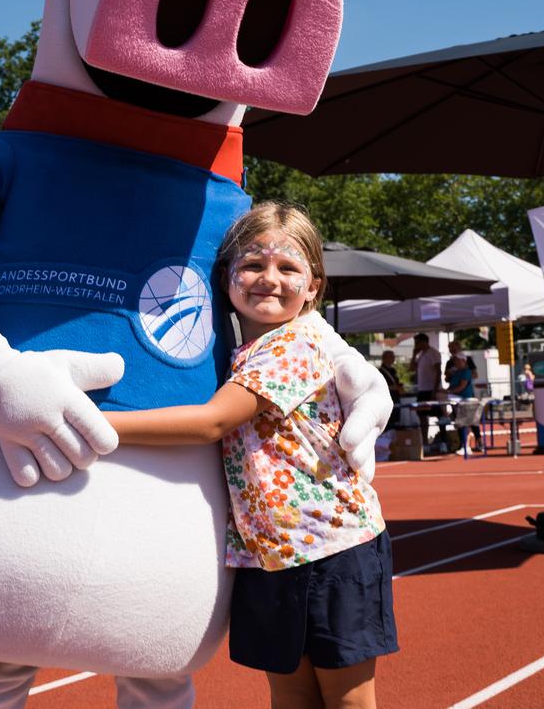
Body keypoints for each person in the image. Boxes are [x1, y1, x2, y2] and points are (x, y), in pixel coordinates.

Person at [105, 202, 397, 709]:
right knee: (290, 695)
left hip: (331, 546)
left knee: (347, 700)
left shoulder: (295, 346)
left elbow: (212, 421)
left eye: (288, 268)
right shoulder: (244, 352)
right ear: (225, 278)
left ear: (313, 287)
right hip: (266, 554)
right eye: (253, 265)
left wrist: (98, 425)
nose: (269, 279)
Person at [412, 333, 442, 401]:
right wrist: (414, 355)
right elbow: (412, 368)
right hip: (422, 389)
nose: (416, 345)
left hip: (430, 389)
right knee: (420, 410)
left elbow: (438, 372)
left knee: (430, 410)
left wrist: (435, 391)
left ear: (424, 342)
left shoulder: (433, 353)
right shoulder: (420, 354)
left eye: (417, 343)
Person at [379, 350, 403, 428]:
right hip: (388, 398)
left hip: (396, 397)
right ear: (384, 358)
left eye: (393, 356)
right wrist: (393, 387)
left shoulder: (393, 370)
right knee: (389, 421)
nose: (393, 358)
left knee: (396, 420)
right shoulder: (380, 371)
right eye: (391, 356)